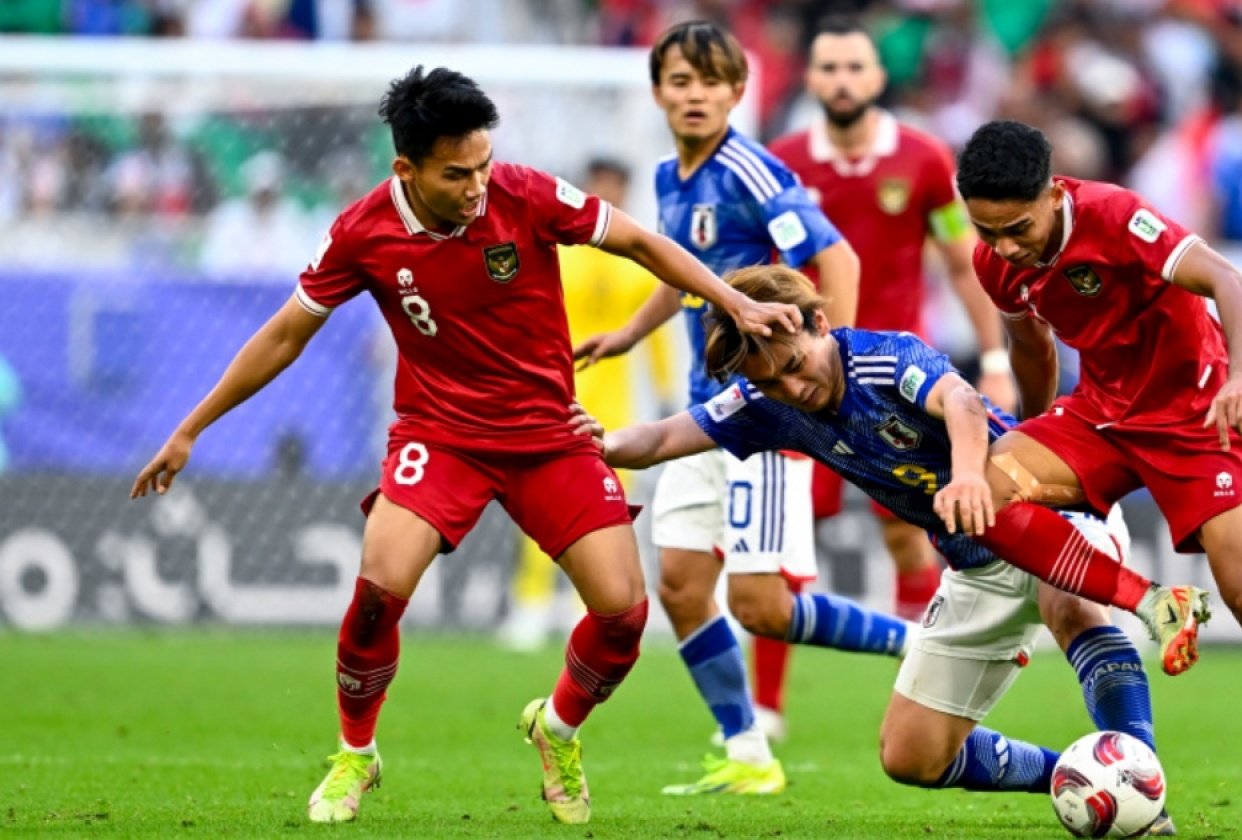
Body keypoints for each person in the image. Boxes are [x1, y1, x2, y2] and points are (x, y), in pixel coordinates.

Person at [128, 66, 802, 827]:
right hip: (440, 436)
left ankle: (558, 728)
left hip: (550, 434)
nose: (479, 184)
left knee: (622, 615)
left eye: (484, 163)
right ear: (405, 169)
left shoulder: (524, 193)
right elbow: (287, 333)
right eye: (458, 173)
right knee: (378, 591)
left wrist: (735, 298)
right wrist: (191, 427)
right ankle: (356, 753)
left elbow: (644, 242)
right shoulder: (362, 232)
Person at [572, 264, 1174, 835]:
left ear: (817, 324)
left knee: (1068, 605)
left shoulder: (883, 357)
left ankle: (1140, 777)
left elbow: (961, 401)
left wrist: (969, 476)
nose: (792, 386)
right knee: (911, 757)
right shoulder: (770, 406)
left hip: (1041, 507)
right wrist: (605, 442)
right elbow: (662, 437)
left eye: (794, 365)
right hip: (972, 566)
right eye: (770, 381)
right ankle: (1082, 779)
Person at [955, 120, 1242, 839]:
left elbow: (1230, 282)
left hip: (1194, 418)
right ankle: (1151, 603)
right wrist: (1032, 435)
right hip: (1101, 416)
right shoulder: (997, 263)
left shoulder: (1115, 218)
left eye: (1016, 228)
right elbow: (1029, 342)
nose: (1005, 247)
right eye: (987, 232)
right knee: (981, 490)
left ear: (1053, 195)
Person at [576, 20, 909, 796]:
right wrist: (630, 332)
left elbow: (837, 257)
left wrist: (838, 371)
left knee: (762, 605)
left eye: (710, 81)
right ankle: (748, 752)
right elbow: (682, 267)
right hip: (702, 409)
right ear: (659, 91)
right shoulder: (668, 175)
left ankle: (924, 643)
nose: (695, 95)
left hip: (765, 415)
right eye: (680, 81)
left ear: (737, 91)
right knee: (685, 588)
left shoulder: (752, 172)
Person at [755, 15, 1017, 734]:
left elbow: (964, 265)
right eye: (829, 68)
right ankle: (765, 711)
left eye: (854, 68)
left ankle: (924, 675)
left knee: (910, 535)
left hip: (898, 380)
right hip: (801, 378)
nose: (842, 80)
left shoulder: (926, 160)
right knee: (785, 531)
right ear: (811, 80)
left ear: (877, 78)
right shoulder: (780, 161)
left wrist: (993, 362)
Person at [497, 157, 678, 653]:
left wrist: (663, 388)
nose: (608, 191)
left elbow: (655, 334)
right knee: (539, 501)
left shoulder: (633, 258)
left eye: (616, 184)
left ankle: (589, 610)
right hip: (552, 393)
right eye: (600, 183)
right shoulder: (558, 249)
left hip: (615, 403)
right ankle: (530, 606)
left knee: (606, 506)